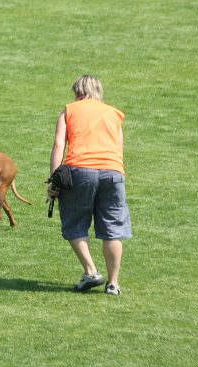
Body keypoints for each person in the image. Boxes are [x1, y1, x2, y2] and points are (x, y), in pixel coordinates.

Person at [48, 75, 131, 295]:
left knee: (74, 222)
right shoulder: (114, 114)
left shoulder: (69, 111)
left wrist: (54, 180)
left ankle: (91, 271)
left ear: (78, 92)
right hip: (113, 172)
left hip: (80, 171)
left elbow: (58, 146)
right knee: (113, 228)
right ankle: (113, 283)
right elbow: (119, 149)